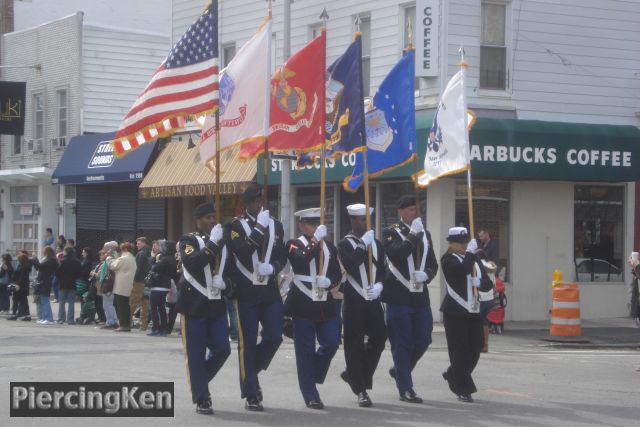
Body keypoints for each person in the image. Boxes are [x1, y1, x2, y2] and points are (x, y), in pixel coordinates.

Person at [224, 184, 287, 411]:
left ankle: (251, 372)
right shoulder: (234, 226)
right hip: (246, 291)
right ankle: (250, 391)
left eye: (263, 201)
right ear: (246, 204)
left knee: (274, 336)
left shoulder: (276, 225)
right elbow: (241, 251)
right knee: (247, 343)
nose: (261, 205)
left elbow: (282, 255)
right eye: (256, 201)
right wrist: (258, 228)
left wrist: (274, 267)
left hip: (269, 290)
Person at [382, 195, 438, 404]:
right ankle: (405, 387)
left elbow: (432, 262)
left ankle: (400, 370)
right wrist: (413, 234)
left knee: (424, 339)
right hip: (398, 295)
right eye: (409, 210)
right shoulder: (390, 232)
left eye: (415, 209)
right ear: (401, 212)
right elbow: (397, 254)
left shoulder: (425, 234)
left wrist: (428, 275)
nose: (413, 213)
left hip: (419, 296)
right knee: (402, 343)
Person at [285, 208, 342, 410]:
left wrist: (329, 282)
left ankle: (314, 373)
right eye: (310, 224)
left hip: (324, 301)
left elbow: (337, 273)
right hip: (302, 301)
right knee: (305, 351)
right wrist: (314, 242)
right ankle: (310, 394)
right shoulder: (293, 243)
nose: (314, 227)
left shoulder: (330, 247)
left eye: (317, 224)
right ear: (302, 225)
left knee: (332, 343)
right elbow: (300, 261)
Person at [176, 202, 230, 415]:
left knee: (223, 349)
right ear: (197, 220)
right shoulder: (188, 240)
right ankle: (202, 397)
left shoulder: (222, 241)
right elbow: (193, 263)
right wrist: (213, 243)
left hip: (216, 305)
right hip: (194, 306)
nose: (212, 220)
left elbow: (230, 269)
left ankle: (198, 380)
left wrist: (226, 284)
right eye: (207, 217)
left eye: (213, 217)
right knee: (196, 354)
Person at [337, 203, 387, 408]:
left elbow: (383, 269)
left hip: (373, 297)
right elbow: (349, 265)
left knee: (380, 337)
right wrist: (362, 245)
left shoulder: (377, 244)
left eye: (367, 219)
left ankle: (356, 374)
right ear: (352, 221)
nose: (365, 223)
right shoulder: (345, 244)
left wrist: (380, 285)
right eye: (361, 219)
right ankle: (361, 390)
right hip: (354, 298)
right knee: (353, 344)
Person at [440, 227, 494, 403]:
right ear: (452, 243)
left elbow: (487, 283)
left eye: (465, 242)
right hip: (455, 312)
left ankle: (452, 373)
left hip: (473, 310)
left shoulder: (475, 258)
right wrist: (470, 253)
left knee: (476, 348)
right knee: (459, 351)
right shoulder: (448, 259)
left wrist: (481, 282)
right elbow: (461, 271)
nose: (463, 245)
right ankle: (462, 388)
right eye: (459, 242)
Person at [146, 240, 177, 337]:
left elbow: (154, 267)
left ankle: (156, 328)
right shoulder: (172, 258)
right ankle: (163, 328)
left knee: (154, 308)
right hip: (166, 285)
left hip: (158, 285)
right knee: (162, 307)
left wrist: (153, 258)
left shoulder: (165, 258)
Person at [107, 242, 137, 332]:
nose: (121, 251)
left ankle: (123, 325)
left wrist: (109, 258)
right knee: (126, 306)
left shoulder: (123, 258)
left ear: (125, 249)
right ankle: (127, 324)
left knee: (120, 306)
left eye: (121, 249)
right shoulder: (132, 258)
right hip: (129, 284)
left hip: (121, 286)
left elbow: (113, 266)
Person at [31, 247, 58, 324]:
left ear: (47, 252)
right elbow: (38, 267)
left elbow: (39, 266)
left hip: (45, 282)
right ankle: (43, 317)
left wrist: (34, 258)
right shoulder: (49, 259)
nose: (43, 251)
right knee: (41, 300)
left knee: (44, 300)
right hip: (42, 281)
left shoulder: (51, 260)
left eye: (44, 251)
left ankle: (48, 318)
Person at [55, 247, 81, 325]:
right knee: (71, 302)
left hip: (63, 283)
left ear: (66, 252)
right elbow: (79, 273)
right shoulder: (77, 262)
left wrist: (60, 278)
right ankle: (70, 320)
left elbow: (57, 272)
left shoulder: (62, 262)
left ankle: (61, 319)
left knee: (62, 302)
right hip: (72, 283)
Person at [131, 236, 152, 331]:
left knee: (133, 302)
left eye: (138, 243)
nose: (137, 245)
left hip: (138, 281)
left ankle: (126, 322)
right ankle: (143, 325)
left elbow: (137, 269)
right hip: (147, 282)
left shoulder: (141, 254)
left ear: (144, 243)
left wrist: (133, 279)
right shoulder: (150, 252)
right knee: (145, 304)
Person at [98, 244, 119, 329]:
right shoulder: (111, 257)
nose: (104, 249)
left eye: (106, 247)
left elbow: (110, 270)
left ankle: (111, 321)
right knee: (107, 304)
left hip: (109, 284)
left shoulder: (111, 258)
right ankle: (111, 321)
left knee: (108, 304)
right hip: (106, 283)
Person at [7, 252, 32, 321]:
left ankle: (16, 315)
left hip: (21, 286)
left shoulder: (24, 267)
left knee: (18, 301)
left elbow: (22, 277)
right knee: (21, 301)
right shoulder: (22, 265)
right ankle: (25, 315)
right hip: (21, 286)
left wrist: (18, 285)